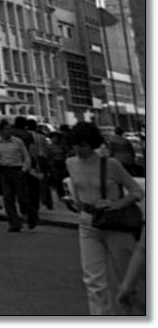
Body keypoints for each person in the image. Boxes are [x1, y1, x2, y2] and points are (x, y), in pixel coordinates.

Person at [65, 121, 144, 315]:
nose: (78, 149)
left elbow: (136, 191)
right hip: (87, 222)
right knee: (93, 280)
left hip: (115, 223)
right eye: (75, 144)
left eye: (82, 145)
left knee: (125, 278)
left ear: (91, 144)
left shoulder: (110, 164)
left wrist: (117, 203)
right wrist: (75, 203)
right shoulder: (71, 163)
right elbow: (77, 189)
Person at [0, 119, 36, 232]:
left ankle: (31, 216)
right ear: (0, 131)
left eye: (9, 129)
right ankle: (14, 223)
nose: (8, 131)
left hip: (18, 170)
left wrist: (26, 168)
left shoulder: (17, 141)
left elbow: (26, 155)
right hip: (5, 171)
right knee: (8, 198)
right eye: (6, 129)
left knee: (23, 197)